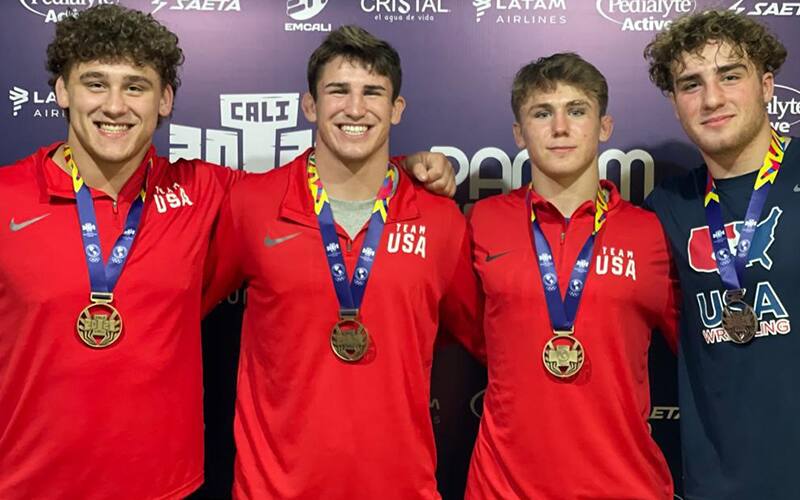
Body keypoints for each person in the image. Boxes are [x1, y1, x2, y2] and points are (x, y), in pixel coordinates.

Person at [0, 6, 456, 500]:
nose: (115, 105)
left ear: (165, 99)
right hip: (26, 483)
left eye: (135, 86)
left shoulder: (208, 191)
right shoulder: (6, 196)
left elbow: (333, 174)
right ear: (62, 91)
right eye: (95, 83)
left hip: (166, 488)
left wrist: (410, 167)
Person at [201, 25, 483, 499]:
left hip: (400, 487)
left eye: (373, 92)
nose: (355, 109)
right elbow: (176, 313)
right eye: (338, 91)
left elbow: (488, 340)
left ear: (396, 110)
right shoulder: (251, 204)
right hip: (274, 488)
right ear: (309, 105)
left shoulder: (440, 220)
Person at [465, 53, 679, 499]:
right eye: (542, 113)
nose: (560, 128)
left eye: (577, 111)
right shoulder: (482, 222)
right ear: (519, 134)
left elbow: (702, 357)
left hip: (626, 486)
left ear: (605, 127)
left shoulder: (652, 231)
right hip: (502, 488)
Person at [644, 10, 797, 499]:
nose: (712, 98)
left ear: (767, 85)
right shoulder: (667, 207)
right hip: (717, 485)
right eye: (691, 84)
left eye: (730, 76)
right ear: (674, 104)